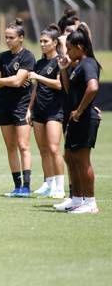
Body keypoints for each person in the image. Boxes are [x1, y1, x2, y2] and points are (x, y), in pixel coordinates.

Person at [54, 23, 100, 214]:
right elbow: (67, 89)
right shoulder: (77, 65)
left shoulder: (88, 64)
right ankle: (77, 199)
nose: (68, 51)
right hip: (74, 118)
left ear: (80, 48)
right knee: (70, 157)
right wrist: (64, 69)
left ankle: (90, 203)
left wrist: (80, 110)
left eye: (70, 48)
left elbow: (93, 87)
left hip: (84, 118)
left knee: (82, 160)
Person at [0, 18, 35, 198]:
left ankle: (26, 186)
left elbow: (18, 81)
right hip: (4, 106)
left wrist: (3, 80)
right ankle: (17, 186)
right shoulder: (2, 56)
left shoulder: (28, 56)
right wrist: (7, 80)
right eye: (6, 37)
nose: (8, 40)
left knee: (23, 146)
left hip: (21, 105)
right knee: (10, 147)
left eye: (11, 37)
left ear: (21, 38)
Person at [26, 24, 65, 199]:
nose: (42, 44)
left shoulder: (60, 61)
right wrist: (29, 109)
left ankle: (60, 186)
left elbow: (58, 84)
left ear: (55, 42)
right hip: (39, 110)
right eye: (40, 41)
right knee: (43, 149)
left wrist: (38, 77)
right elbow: (35, 88)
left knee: (54, 148)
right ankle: (48, 184)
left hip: (54, 110)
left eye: (45, 41)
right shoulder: (40, 62)